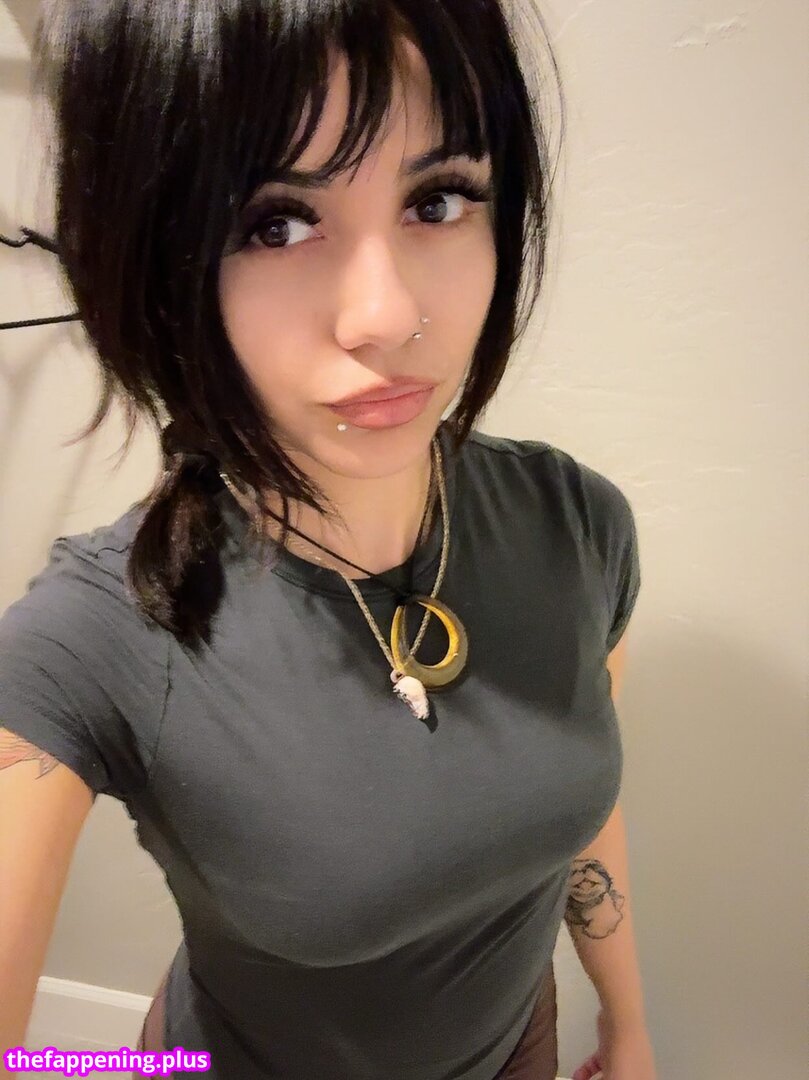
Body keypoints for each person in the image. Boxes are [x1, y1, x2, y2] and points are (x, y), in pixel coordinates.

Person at [0, 2, 645, 1079]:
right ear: (156, 263)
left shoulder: (576, 524)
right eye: (274, 224)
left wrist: (625, 1023)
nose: (384, 316)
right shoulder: (94, 639)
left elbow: (581, 805)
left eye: (437, 200)